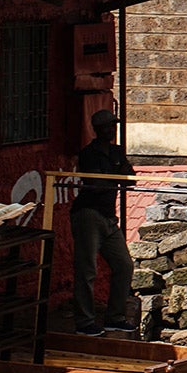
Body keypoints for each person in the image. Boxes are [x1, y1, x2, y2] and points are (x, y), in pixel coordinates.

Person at [71, 108, 136, 336]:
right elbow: (96, 185)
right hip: (89, 214)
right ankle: (85, 321)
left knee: (124, 264)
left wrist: (115, 175)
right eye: (108, 126)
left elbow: (130, 179)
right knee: (87, 268)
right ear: (99, 130)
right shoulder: (88, 153)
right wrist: (115, 175)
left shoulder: (117, 152)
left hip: (108, 216)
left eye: (113, 125)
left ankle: (115, 317)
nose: (112, 129)